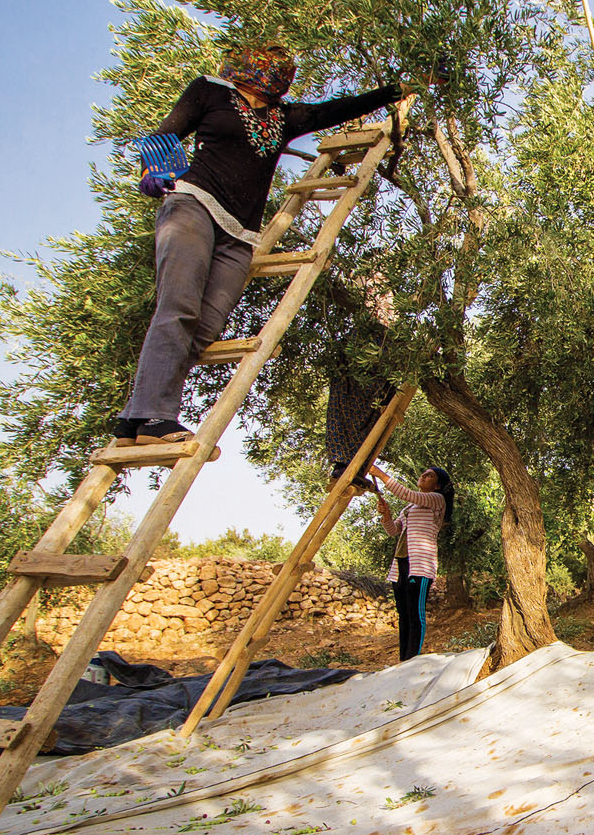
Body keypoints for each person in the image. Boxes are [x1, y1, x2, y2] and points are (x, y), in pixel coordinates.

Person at [112, 44, 403, 445]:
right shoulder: (210, 91)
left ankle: (134, 416)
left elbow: (332, 110)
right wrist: (154, 171)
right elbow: (166, 134)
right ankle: (155, 416)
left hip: (240, 233)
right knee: (178, 307)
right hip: (193, 205)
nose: (274, 72)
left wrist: (397, 90)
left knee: (207, 325)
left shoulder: (282, 118)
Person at [370, 462, 449, 662]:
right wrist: (386, 515)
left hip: (420, 566)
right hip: (401, 564)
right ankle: (403, 661)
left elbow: (407, 493)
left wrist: (379, 474)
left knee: (416, 614)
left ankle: (413, 660)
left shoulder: (437, 500)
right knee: (403, 615)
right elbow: (393, 531)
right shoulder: (409, 508)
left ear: (437, 485)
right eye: (424, 472)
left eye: (430, 475)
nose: (424, 475)